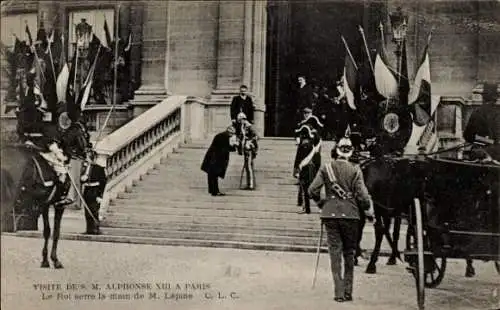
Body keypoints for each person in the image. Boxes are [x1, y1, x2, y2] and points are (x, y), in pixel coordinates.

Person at [308, 136, 374, 303]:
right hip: (351, 215)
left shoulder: (326, 168)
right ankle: (348, 291)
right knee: (349, 254)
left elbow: (312, 190)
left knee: (334, 254)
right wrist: (366, 208)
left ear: (336, 150)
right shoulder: (355, 170)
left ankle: (338, 293)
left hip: (330, 215)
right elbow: (363, 197)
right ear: (350, 152)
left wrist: (323, 203)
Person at [463, 82, 500, 161]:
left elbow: (467, 136)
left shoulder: (477, 112)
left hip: (479, 153)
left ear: (483, 98)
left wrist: (480, 139)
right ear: (495, 98)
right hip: (497, 155)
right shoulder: (498, 113)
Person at [201, 126, 239, 196]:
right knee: (213, 175)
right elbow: (225, 148)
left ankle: (213, 191)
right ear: (229, 132)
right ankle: (215, 191)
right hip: (214, 159)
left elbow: (226, 148)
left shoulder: (223, 136)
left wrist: (234, 146)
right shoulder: (223, 137)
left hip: (213, 158)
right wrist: (234, 146)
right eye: (232, 134)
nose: (232, 135)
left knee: (212, 175)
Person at [81, 151, 107, 235]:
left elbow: (103, 182)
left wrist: (100, 195)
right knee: (87, 211)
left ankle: (96, 229)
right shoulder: (84, 168)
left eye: (88, 157)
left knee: (94, 210)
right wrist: (82, 179)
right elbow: (81, 180)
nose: (86, 159)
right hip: (87, 190)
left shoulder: (99, 168)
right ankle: (89, 229)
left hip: (95, 190)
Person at [236, 112, 259, 190]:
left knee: (249, 166)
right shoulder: (243, 126)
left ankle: (251, 185)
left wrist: (249, 141)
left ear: (243, 119)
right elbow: (241, 137)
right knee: (247, 166)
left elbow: (256, 137)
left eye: (240, 120)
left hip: (250, 148)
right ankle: (249, 183)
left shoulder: (249, 126)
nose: (240, 122)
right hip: (245, 149)